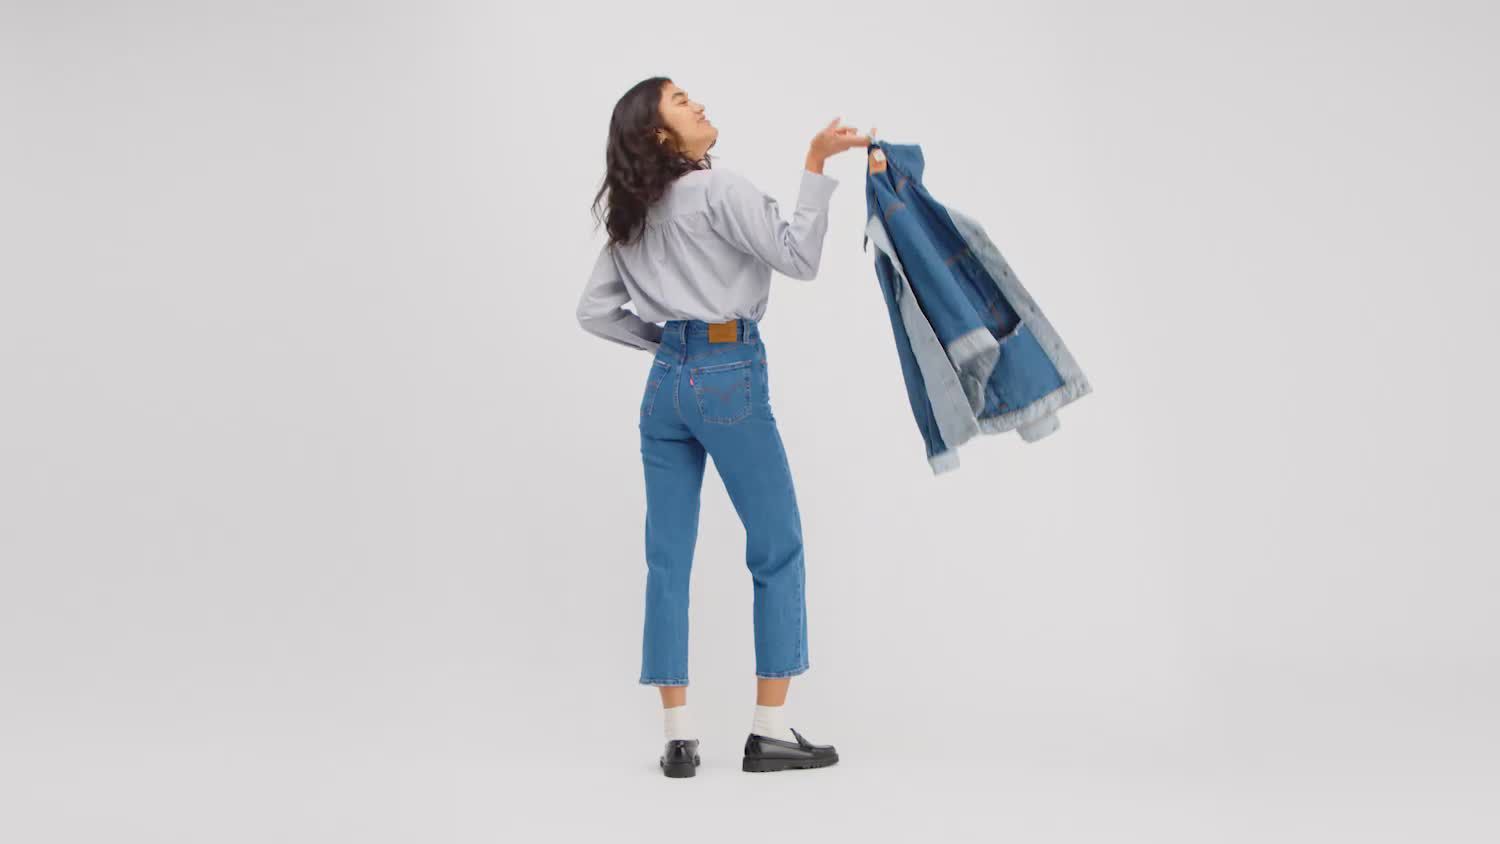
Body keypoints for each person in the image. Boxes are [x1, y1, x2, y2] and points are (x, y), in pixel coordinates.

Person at [576, 77, 871, 776]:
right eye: (681, 101)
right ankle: (769, 729)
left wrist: (671, 347)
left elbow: (594, 311)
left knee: (667, 559)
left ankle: (678, 737)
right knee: (777, 546)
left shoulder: (632, 213)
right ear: (658, 136)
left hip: (665, 390)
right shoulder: (719, 189)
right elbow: (799, 258)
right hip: (728, 375)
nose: (699, 104)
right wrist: (815, 163)